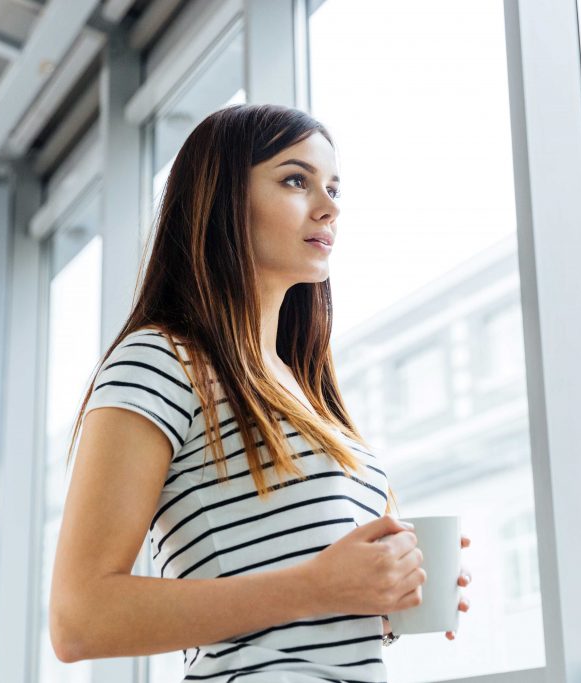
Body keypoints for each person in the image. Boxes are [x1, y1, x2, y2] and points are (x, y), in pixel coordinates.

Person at [49, 103, 472, 681]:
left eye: (333, 188)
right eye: (296, 180)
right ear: (222, 201)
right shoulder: (162, 360)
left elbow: (298, 607)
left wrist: (383, 598)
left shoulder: (305, 391)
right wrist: (316, 587)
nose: (329, 207)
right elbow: (79, 620)